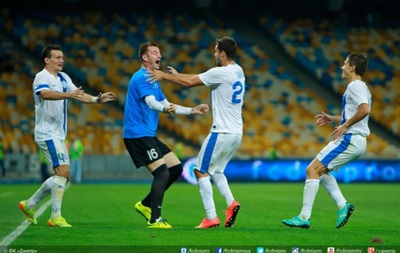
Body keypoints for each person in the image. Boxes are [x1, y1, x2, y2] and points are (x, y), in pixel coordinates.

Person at [147, 36, 245, 229]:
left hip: (221, 131)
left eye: (216, 51)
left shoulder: (220, 72)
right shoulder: (238, 70)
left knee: (199, 170)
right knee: (216, 171)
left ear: (223, 54)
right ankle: (231, 203)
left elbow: (191, 82)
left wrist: (165, 76)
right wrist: (178, 74)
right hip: (236, 133)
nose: (214, 53)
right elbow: (198, 76)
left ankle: (211, 217)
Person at [18, 44, 116, 227]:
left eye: (62, 57)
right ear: (47, 60)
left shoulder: (63, 77)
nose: (61, 60)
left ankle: (29, 204)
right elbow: (45, 94)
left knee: (63, 175)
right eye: (57, 57)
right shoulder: (42, 76)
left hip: (58, 133)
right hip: (46, 132)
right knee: (63, 172)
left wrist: (96, 99)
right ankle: (55, 216)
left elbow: (78, 95)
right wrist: (69, 95)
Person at [123, 41, 209, 229]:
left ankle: (145, 204)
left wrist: (192, 110)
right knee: (162, 172)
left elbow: (167, 103)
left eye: (159, 52)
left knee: (175, 168)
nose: (159, 55)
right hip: (137, 135)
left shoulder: (153, 80)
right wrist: (163, 109)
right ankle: (155, 219)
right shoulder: (141, 78)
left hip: (147, 134)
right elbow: (152, 103)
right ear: (145, 57)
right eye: (154, 52)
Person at [282, 53, 371, 229]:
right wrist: (334, 118)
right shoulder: (362, 87)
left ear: (352, 68)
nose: (342, 67)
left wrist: (344, 126)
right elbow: (356, 112)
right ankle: (342, 205)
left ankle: (304, 217)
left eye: (345, 63)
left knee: (312, 170)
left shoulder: (355, 86)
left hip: (350, 139)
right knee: (319, 172)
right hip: (355, 139)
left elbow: (365, 110)